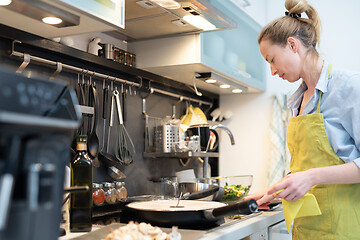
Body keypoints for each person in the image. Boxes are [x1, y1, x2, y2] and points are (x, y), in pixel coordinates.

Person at [243, 0, 360, 239]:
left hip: (343, 228)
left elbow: (310, 174)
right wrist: (273, 193)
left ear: (292, 45)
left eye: (271, 59)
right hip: (305, 229)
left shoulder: (348, 87)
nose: (273, 71)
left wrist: (310, 177)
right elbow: (303, 169)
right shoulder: (297, 101)